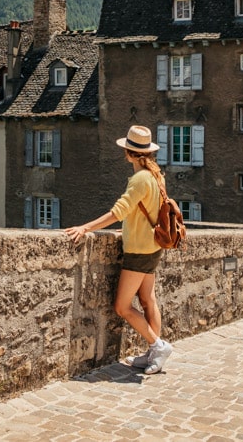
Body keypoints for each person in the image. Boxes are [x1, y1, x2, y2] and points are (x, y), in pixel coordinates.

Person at [64, 125, 174, 374]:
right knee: (147, 300)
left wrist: (85, 227)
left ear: (127, 152)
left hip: (139, 251)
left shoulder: (139, 179)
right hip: (153, 245)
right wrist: (127, 230)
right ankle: (153, 353)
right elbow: (144, 212)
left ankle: (158, 346)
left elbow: (118, 212)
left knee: (122, 307)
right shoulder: (155, 175)